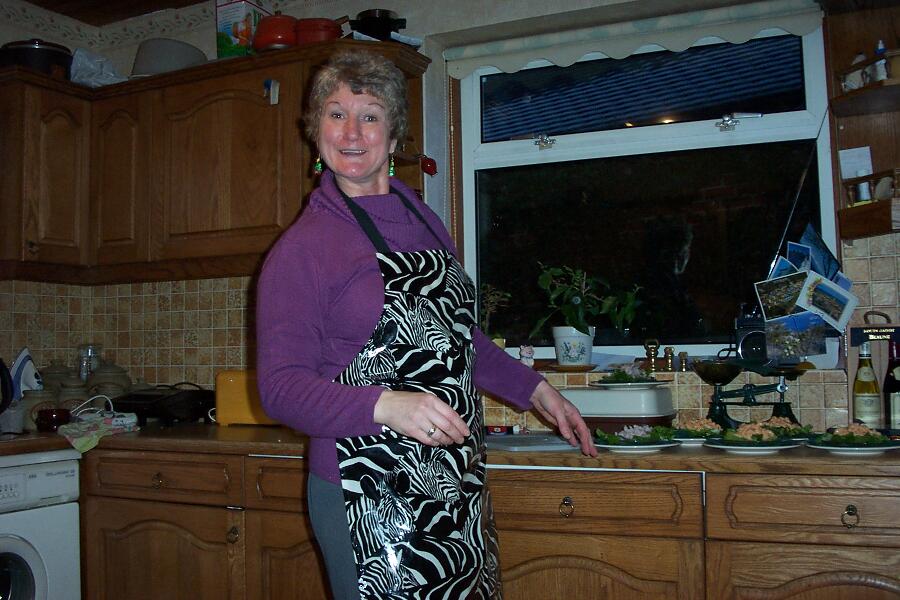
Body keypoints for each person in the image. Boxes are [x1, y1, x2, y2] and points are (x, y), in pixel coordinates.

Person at [256, 50, 597, 600]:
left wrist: (536, 390)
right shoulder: (304, 247)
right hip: (368, 493)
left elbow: (456, 337)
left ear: (393, 137)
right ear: (315, 132)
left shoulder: (423, 218)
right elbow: (280, 389)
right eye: (336, 114)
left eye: (369, 115)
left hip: (454, 481)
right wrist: (386, 405)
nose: (351, 132)